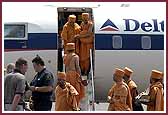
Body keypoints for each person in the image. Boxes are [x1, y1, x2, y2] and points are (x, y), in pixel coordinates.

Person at [64, 43, 85, 109]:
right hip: (73, 74)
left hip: (67, 74)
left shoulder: (65, 57)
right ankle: (75, 105)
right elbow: (77, 67)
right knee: (76, 90)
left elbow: (65, 67)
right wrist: (80, 76)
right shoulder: (75, 57)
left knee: (68, 91)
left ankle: (69, 105)